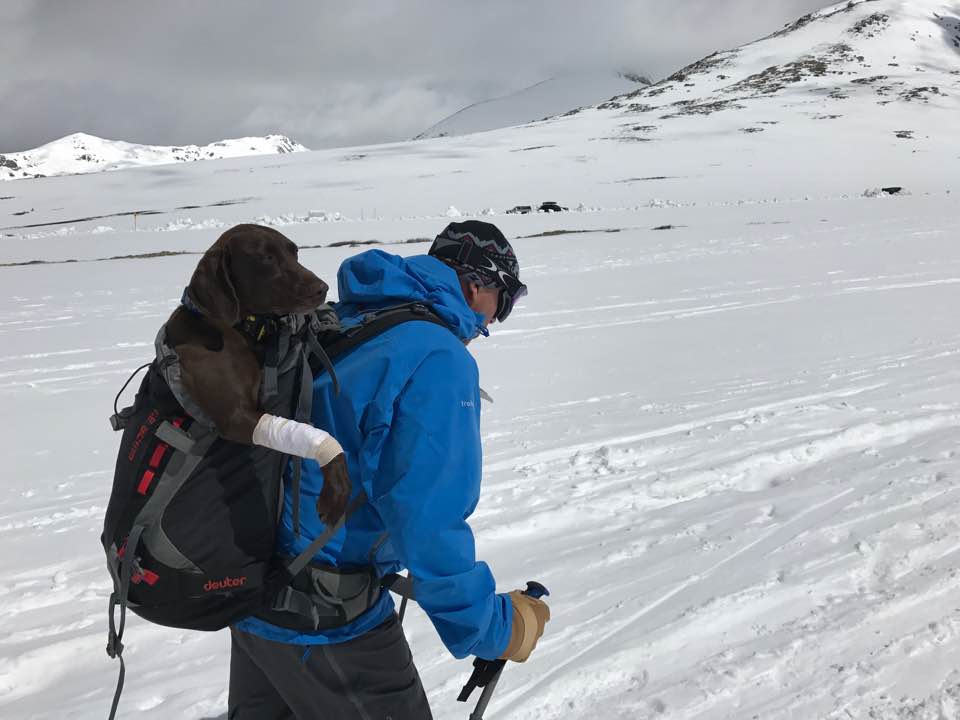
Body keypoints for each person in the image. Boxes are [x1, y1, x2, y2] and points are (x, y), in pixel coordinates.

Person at [229, 220, 551, 719]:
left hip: (255, 590)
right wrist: (490, 626)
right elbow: (427, 519)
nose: (495, 321)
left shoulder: (348, 320)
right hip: (326, 617)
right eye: (502, 301)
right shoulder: (438, 358)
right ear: (475, 285)